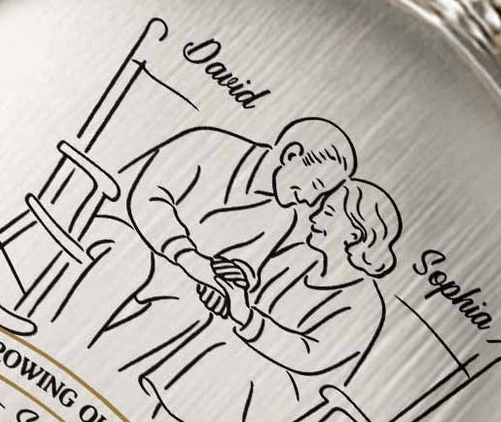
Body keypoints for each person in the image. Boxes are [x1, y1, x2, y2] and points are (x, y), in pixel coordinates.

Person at [140, 178, 401, 422]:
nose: (313, 217)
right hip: (243, 349)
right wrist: (225, 293)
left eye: (327, 213)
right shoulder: (300, 257)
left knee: (231, 356)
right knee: (211, 335)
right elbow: (254, 294)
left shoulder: (364, 304)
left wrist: (244, 315)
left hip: (284, 385)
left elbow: (308, 355)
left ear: (355, 234)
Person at [68, 117, 357, 377]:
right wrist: (189, 258)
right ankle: (66, 344)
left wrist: (227, 287)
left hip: (180, 276)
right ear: (291, 155)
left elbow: (248, 265)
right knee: (126, 261)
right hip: (127, 232)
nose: (308, 201)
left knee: (191, 314)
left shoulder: (284, 218)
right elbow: (148, 200)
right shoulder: (211, 145)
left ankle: (103, 378)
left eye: (319, 194)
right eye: (314, 185)